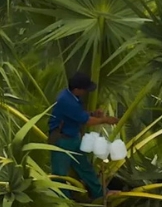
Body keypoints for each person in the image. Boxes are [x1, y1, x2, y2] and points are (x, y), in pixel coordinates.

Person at [48, 71, 118, 199]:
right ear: (77, 89)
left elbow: (80, 115)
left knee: (85, 168)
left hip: (74, 137)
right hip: (62, 141)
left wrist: (92, 113)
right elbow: (86, 121)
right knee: (59, 175)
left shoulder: (72, 97)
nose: (86, 92)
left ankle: (101, 194)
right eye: (85, 89)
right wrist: (105, 120)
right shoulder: (65, 100)